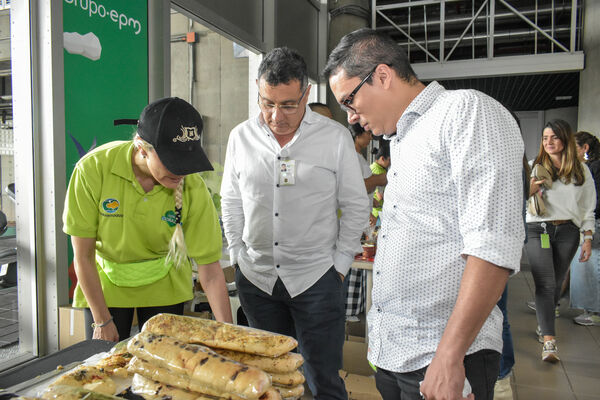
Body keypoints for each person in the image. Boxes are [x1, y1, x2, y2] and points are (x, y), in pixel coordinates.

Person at [324, 28, 525, 400]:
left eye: (350, 101)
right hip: (395, 354)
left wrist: (449, 355)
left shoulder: (465, 111)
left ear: (382, 76)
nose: (351, 117)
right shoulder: (402, 138)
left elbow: (493, 245)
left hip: (443, 356)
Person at [220, 47, 369, 400]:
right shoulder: (240, 137)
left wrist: (341, 264)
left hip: (317, 278)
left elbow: (355, 204)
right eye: (267, 103)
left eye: (288, 104)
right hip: (257, 280)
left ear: (306, 93)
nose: (276, 116)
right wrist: (238, 254)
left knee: (322, 379)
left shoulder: (333, 138)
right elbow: (231, 199)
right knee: (267, 378)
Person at [63, 97, 233, 342]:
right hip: (108, 286)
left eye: (186, 162)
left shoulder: (191, 186)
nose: (181, 172)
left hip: (165, 284)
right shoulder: (93, 170)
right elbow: (83, 256)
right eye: (173, 163)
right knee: (107, 366)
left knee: (163, 365)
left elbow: (211, 271)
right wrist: (102, 320)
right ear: (142, 148)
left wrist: (227, 333)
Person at [525, 120, 595, 362]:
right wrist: (528, 191)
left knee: (555, 282)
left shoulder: (580, 171)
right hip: (538, 229)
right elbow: (515, 198)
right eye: (545, 138)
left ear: (564, 139)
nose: (549, 142)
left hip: (568, 231)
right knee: (545, 283)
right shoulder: (535, 167)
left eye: (554, 137)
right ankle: (549, 341)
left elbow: (588, 208)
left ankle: (543, 322)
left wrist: (587, 236)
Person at [570, 131, 600, 326]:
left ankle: (594, 312)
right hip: (590, 222)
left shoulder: (593, 168)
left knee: (591, 265)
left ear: (585, 148)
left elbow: (592, 202)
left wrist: (587, 224)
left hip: (593, 223)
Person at [370, 139, 390, 221]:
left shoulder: (372, 167)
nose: (390, 163)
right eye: (389, 160)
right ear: (382, 158)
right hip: (378, 213)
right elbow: (380, 195)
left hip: (375, 210)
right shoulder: (379, 172)